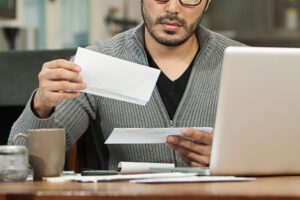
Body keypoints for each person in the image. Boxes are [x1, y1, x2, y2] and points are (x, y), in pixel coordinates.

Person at [8, 0, 243, 169]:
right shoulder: (100, 61)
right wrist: (41, 106)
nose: (173, 8)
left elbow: (278, 156)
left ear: (208, 2)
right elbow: (22, 162)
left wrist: (230, 157)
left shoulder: (241, 62)